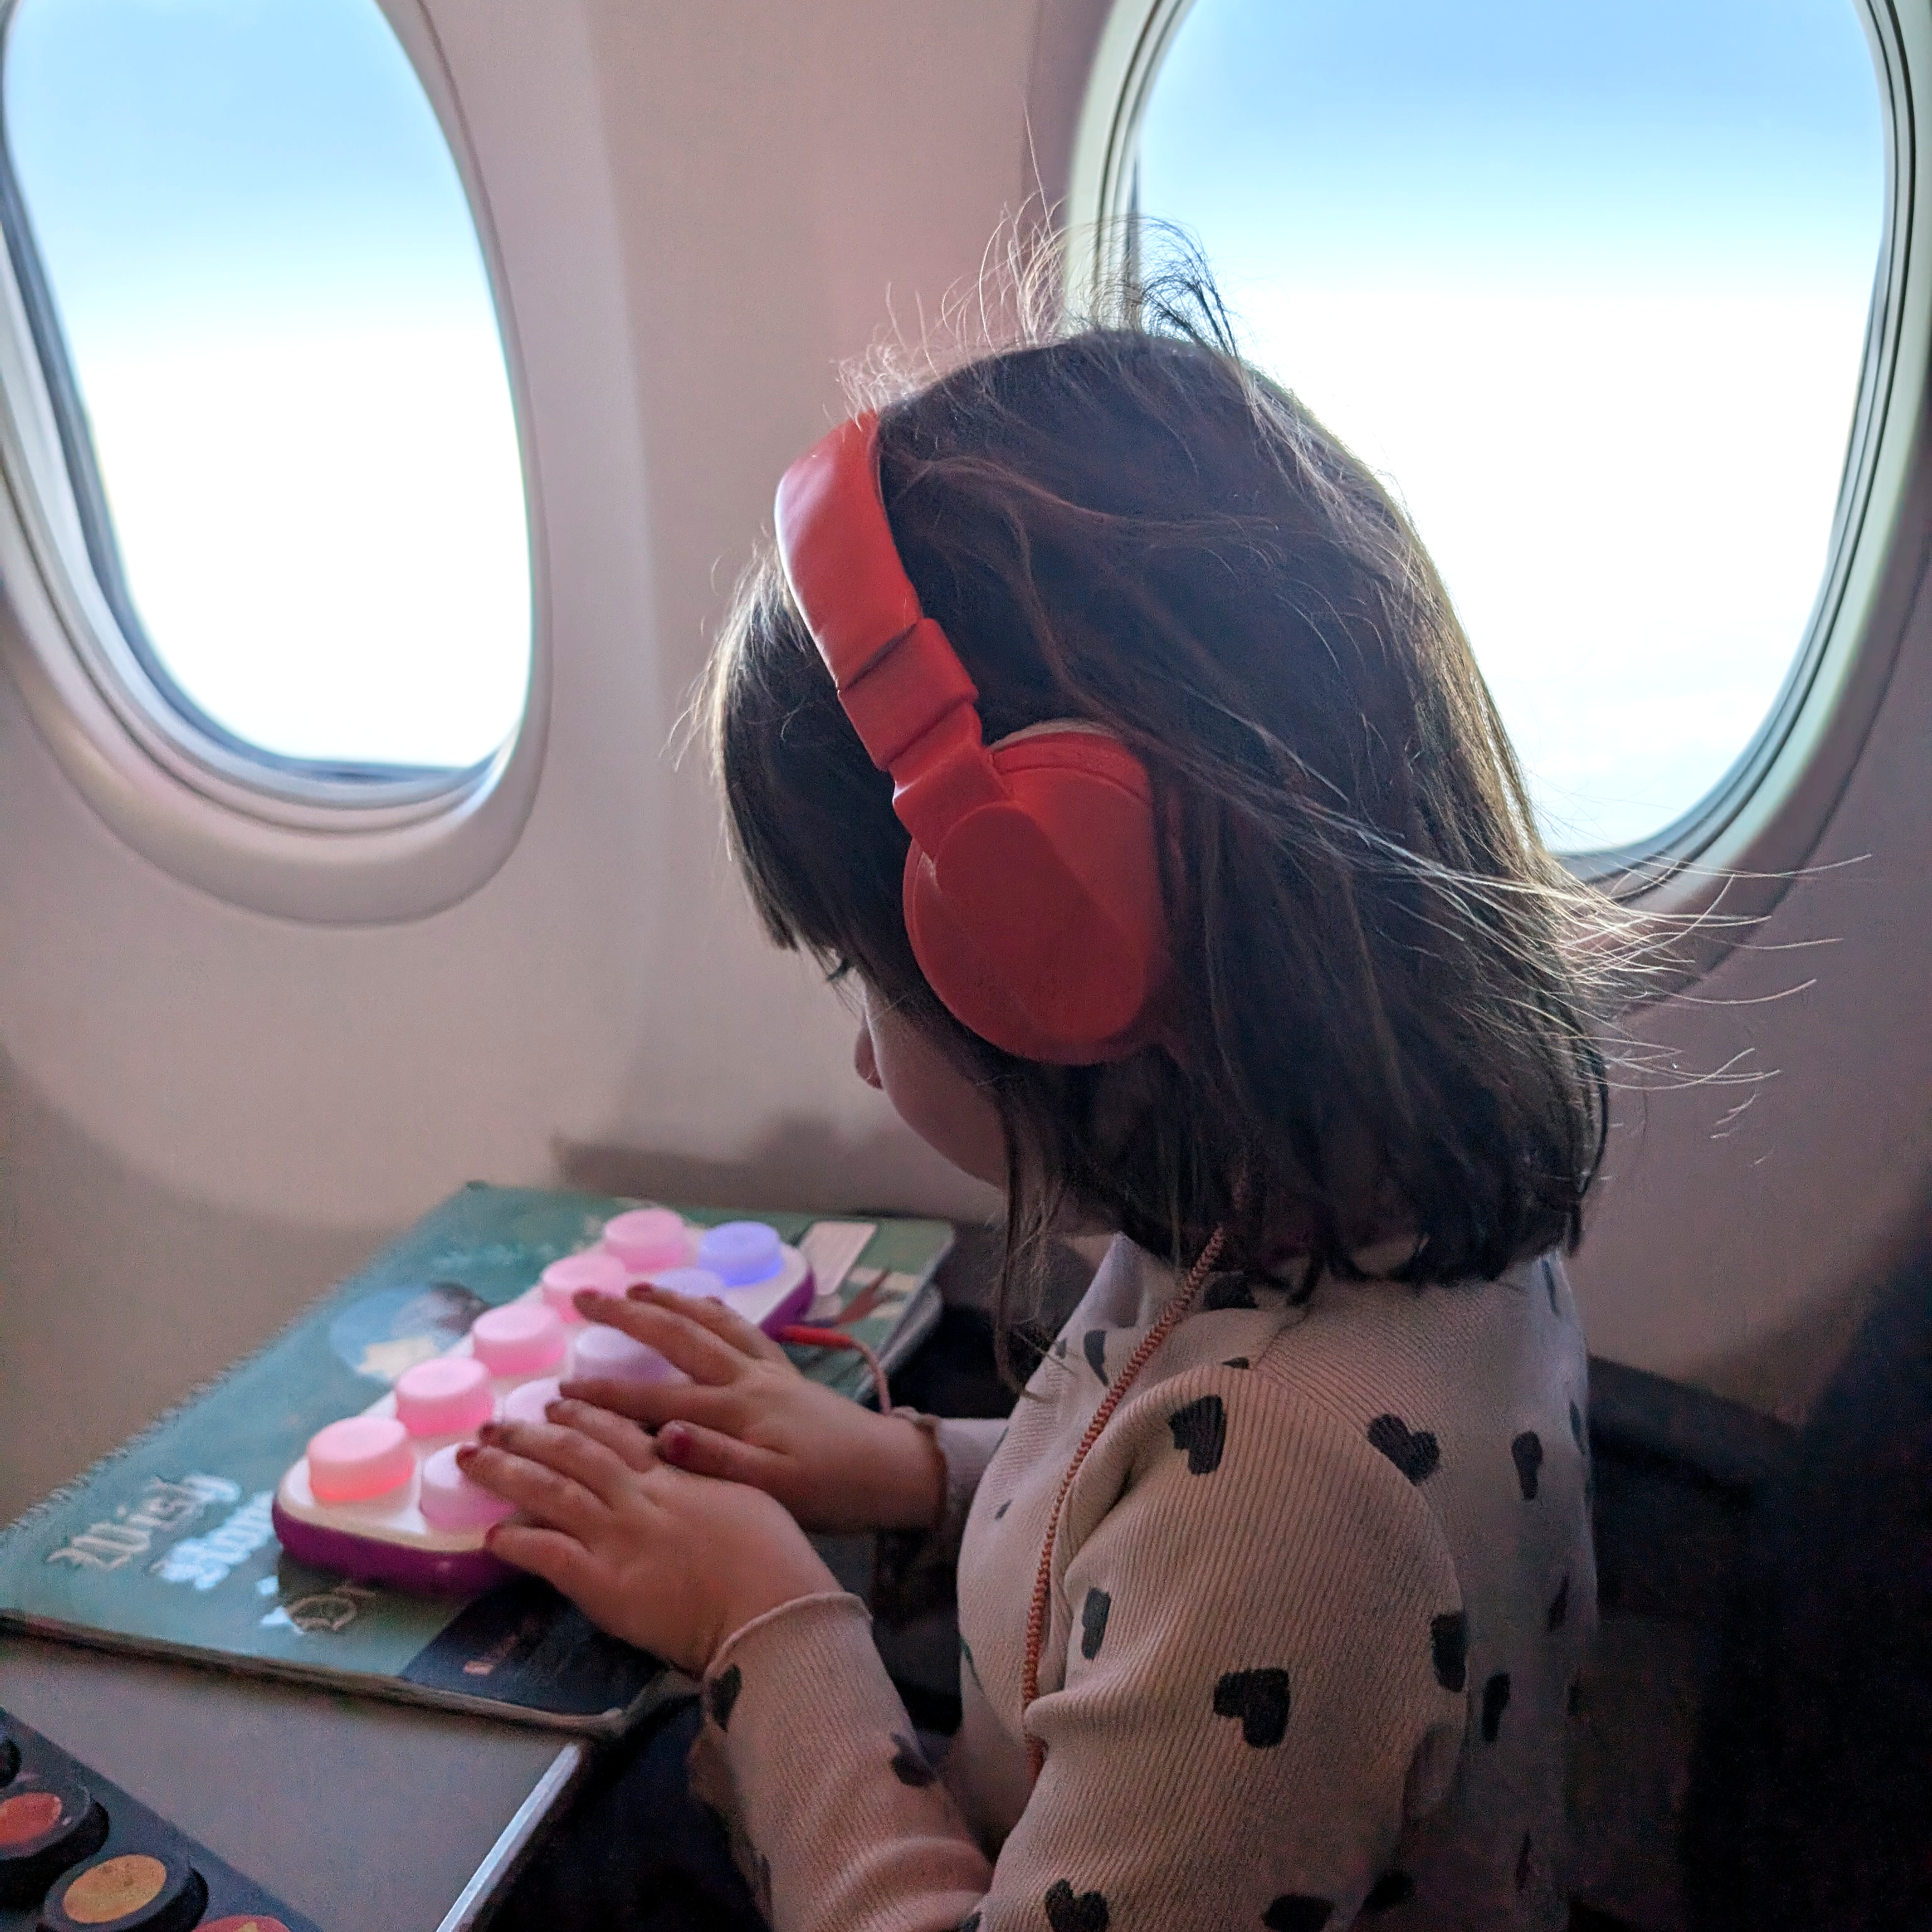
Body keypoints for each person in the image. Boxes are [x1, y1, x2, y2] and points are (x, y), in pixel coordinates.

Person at [461, 282, 1605, 1931]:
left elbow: (1237, 1545)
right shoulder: (1334, 1213)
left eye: (861, 975)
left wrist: (770, 1628)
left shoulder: (1298, 1513)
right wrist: (916, 1469)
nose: (862, 1057)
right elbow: (1170, 1508)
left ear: (1051, 949)